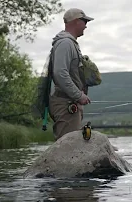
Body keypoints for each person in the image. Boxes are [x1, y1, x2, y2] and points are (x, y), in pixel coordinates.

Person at [48, 8, 94, 141]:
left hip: (70, 104)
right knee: (67, 150)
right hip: (65, 105)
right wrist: (78, 95)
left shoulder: (69, 43)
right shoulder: (65, 43)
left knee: (73, 149)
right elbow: (60, 73)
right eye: (84, 21)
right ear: (76, 21)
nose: (86, 25)